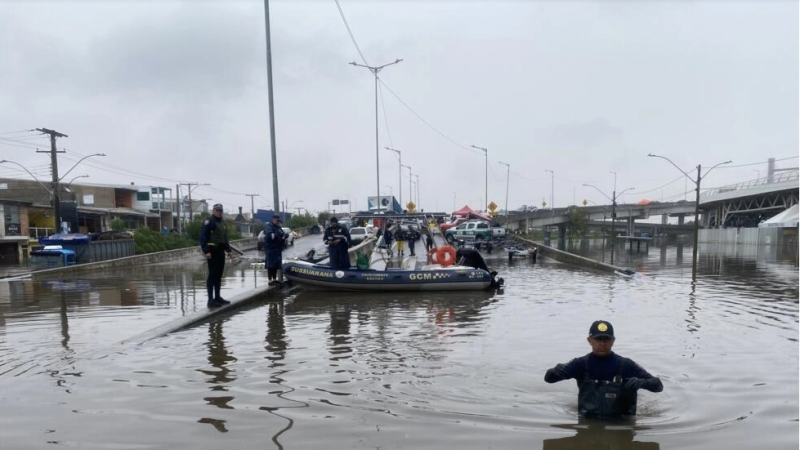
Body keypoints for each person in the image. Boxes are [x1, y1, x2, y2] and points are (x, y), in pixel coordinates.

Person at [544, 320, 663, 419]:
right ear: (589, 340)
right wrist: (556, 370)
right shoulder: (579, 364)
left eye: (606, 339)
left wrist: (642, 382)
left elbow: (658, 386)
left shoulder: (626, 365)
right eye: (598, 339)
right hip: (588, 419)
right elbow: (549, 379)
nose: (602, 344)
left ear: (613, 341)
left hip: (622, 424)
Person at [200, 203, 233, 308]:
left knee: (218, 275)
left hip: (220, 251)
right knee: (212, 275)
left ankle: (217, 297)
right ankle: (210, 300)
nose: (219, 212)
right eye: (217, 210)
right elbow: (203, 237)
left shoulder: (222, 223)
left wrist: (229, 250)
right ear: (213, 211)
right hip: (212, 252)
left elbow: (224, 238)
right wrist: (206, 251)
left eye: (220, 210)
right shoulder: (209, 222)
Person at [263, 214, 286, 285]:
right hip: (271, 249)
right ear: (274, 220)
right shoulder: (269, 227)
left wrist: (284, 235)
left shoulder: (278, 227)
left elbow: (281, 235)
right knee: (270, 265)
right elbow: (271, 236)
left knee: (276, 265)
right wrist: (277, 234)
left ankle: (274, 279)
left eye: (279, 221)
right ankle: (270, 280)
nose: (278, 222)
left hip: (277, 249)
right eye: (277, 221)